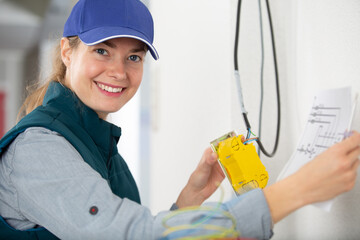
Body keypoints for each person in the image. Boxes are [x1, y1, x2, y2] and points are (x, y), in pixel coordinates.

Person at [0, 0, 359, 239]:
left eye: (134, 58)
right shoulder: (39, 147)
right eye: (102, 51)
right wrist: (295, 192)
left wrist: (190, 199)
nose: (118, 72)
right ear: (67, 50)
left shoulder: (97, 142)